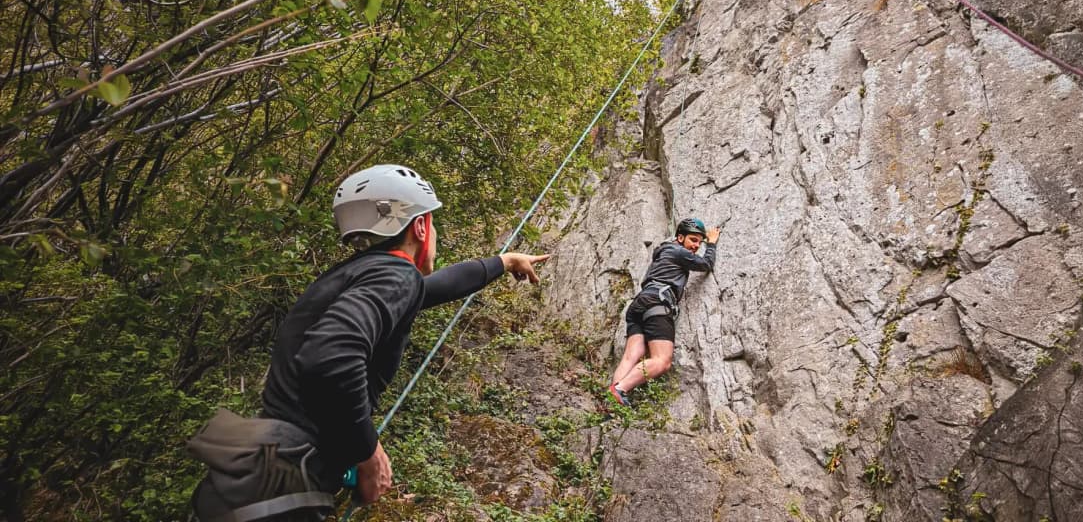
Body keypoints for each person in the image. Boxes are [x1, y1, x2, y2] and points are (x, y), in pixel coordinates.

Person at [188, 164, 548, 521]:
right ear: (421, 226)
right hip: (283, 484)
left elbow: (430, 289)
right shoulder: (395, 275)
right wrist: (368, 451)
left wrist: (503, 262)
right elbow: (330, 355)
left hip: (257, 474)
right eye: (432, 222)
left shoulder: (355, 275)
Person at [607, 217, 720, 406]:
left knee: (631, 356)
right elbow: (705, 265)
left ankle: (611, 402)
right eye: (693, 240)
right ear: (681, 237)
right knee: (662, 360)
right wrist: (711, 244)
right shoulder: (678, 251)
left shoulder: (664, 251)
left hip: (639, 304)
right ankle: (619, 389)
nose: (696, 246)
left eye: (699, 243)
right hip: (657, 303)